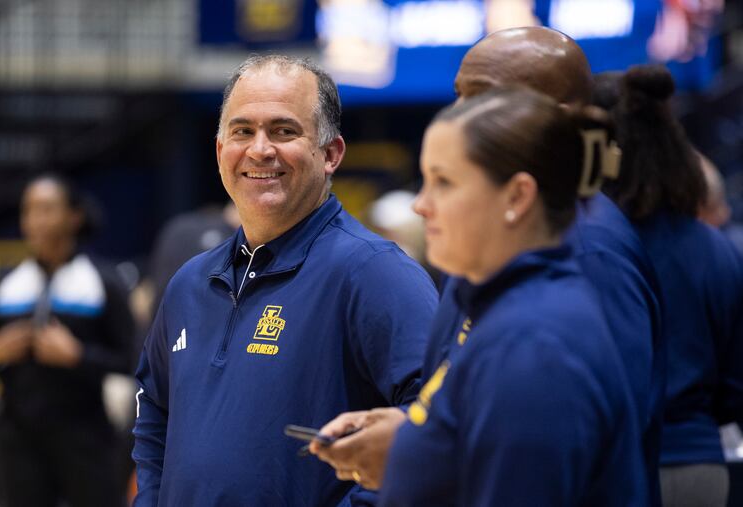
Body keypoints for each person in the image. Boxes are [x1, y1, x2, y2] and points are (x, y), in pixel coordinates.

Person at [313, 26, 663, 503]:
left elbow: (568, 445)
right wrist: (416, 434)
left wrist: (420, 454)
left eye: (444, 182)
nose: (420, 205)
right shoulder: (491, 267)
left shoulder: (579, 268)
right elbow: (478, 413)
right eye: (459, 94)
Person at [131, 55, 438, 506]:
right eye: (242, 131)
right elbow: (154, 416)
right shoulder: (189, 283)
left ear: (330, 154)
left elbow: (435, 428)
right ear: (220, 151)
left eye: (283, 131)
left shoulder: (377, 274)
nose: (260, 150)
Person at [377, 87, 646, 504]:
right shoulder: (516, 307)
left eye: (443, 182)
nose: (421, 205)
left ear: (517, 196)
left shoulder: (532, 343)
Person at [593, 64, 743, 507]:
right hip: (702, 467)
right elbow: (736, 383)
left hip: (619, 467)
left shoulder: (594, 246)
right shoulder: (715, 248)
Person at [0, 174, 134, 507]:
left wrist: (79, 356)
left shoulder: (102, 282)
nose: (36, 220)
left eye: (47, 209)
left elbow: (132, 359)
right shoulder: (5, 284)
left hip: (84, 431)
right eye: (29, 210)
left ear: (74, 216)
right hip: (16, 433)